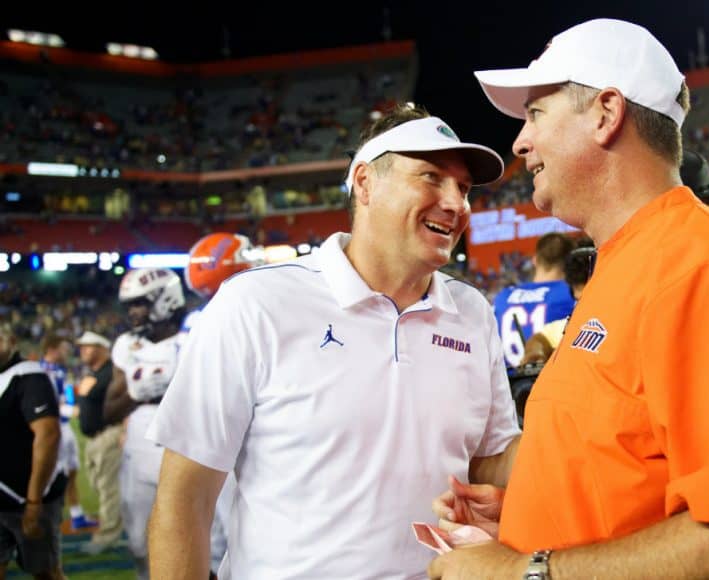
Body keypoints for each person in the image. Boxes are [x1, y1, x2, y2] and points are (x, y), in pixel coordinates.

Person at [429, 18, 709, 579]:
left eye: (535, 114)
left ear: (605, 114)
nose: (521, 142)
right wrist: (534, 514)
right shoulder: (631, 263)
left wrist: (523, 571)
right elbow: (632, 474)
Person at [146, 105, 521, 579]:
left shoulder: (472, 312)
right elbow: (185, 497)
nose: (456, 202)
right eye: (431, 177)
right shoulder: (257, 303)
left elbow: (490, 462)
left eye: (464, 188)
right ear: (365, 183)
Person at [183, 231, 261, 578]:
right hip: (232, 443)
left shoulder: (196, 320)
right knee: (229, 535)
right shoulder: (229, 318)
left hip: (216, 441)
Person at [103, 268, 189, 578]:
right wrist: (139, 393)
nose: (132, 312)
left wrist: (177, 385)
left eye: (139, 303)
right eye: (129, 305)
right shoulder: (127, 345)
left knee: (200, 538)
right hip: (139, 446)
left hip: (187, 440)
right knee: (139, 541)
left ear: (164, 298)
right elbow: (109, 411)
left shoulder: (194, 335)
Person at [0, 322, 64, 579]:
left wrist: (34, 501)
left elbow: (48, 436)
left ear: (11, 341)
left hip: (25, 498)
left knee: (45, 572)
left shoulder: (29, 376)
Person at [493, 232, 577, 367]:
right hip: (549, 379)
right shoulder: (571, 293)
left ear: (535, 260)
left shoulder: (503, 296)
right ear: (570, 262)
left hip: (509, 383)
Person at [39, 335, 96, 531]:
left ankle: (77, 515)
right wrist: (74, 411)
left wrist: (71, 408)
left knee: (72, 471)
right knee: (53, 475)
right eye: (64, 349)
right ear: (52, 349)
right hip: (54, 428)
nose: (68, 353)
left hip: (65, 427)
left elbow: (66, 398)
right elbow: (47, 405)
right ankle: (44, 518)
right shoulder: (41, 372)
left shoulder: (59, 371)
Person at [74, 331, 124, 556]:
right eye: (82, 347)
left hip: (108, 435)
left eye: (89, 346)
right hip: (93, 439)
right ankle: (119, 526)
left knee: (108, 488)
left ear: (103, 348)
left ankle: (108, 535)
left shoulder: (112, 372)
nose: (83, 350)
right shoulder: (92, 373)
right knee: (99, 485)